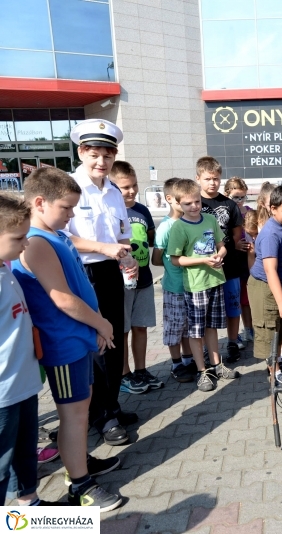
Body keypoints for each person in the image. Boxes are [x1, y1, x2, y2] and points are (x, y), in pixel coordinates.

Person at [12, 169, 123, 511]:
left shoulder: (53, 234)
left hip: (76, 338)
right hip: (63, 344)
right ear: (40, 202)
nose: (72, 215)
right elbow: (62, 299)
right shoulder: (36, 242)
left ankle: (79, 462)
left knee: (79, 411)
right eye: (66, 208)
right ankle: (81, 485)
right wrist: (101, 324)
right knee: (73, 415)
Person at [64, 119, 136, 447]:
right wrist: (103, 248)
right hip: (82, 274)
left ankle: (112, 405)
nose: (100, 162)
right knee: (95, 345)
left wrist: (126, 255)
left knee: (113, 340)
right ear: (81, 152)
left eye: (107, 155)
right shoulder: (68, 188)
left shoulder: (113, 191)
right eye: (94, 154)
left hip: (110, 272)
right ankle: (101, 417)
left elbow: (122, 234)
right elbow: (60, 239)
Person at [0, 193, 58, 508]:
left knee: (24, 453)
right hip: (3, 394)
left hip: (23, 386)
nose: (25, 243)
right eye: (18, 237)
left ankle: (29, 508)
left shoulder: (5, 270)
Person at [167, 179, 240, 392]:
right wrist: (203, 260)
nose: (194, 207)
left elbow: (222, 245)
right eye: (188, 203)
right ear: (179, 204)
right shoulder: (179, 227)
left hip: (215, 280)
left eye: (197, 202)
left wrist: (220, 254)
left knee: (212, 327)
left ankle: (217, 365)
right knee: (196, 331)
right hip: (196, 285)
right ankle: (202, 371)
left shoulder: (209, 219)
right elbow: (175, 260)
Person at [109, 161, 162, 395]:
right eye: (125, 187)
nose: (131, 191)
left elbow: (150, 237)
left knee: (141, 326)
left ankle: (141, 370)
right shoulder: (110, 212)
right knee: (123, 329)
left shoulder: (142, 210)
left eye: (134, 185)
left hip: (145, 278)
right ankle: (124, 373)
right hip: (121, 281)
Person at [195, 157, 246, 364]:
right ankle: (209, 349)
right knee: (208, 311)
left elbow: (235, 234)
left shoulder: (229, 204)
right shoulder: (195, 203)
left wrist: (227, 251)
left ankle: (233, 342)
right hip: (203, 269)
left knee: (233, 307)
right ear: (198, 178)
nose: (212, 183)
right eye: (207, 179)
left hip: (230, 265)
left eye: (216, 178)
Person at [248, 185, 282, 376]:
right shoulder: (270, 234)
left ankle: (277, 365)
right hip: (264, 288)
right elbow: (270, 270)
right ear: (273, 208)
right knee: (269, 331)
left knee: (279, 329)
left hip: (280, 284)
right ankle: (274, 372)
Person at [152, 178, 195, 383]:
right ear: (170, 199)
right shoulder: (165, 227)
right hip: (175, 287)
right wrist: (173, 265)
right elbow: (156, 258)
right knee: (174, 327)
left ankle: (188, 359)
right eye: (182, 200)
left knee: (188, 326)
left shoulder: (191, 222)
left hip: (193, 285)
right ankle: (176, 363)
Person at [223, 177, 254, 350]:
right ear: (227, 195)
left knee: (249, 297)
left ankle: (251, 329)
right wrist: (235, 246)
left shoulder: (249, 212)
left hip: (249, 259)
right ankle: (242, 332)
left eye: (243, 197)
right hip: (233, 261)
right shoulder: (226, 212)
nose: (240, 201)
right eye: (236, 197)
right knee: (239, 299)